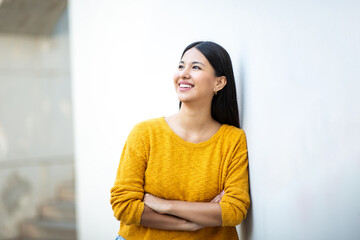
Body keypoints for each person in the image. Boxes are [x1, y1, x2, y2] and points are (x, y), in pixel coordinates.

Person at [110, 41, 250, 240]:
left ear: (219, 83)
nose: (183, 73)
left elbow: (234, 210)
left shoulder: (232, 140)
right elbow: (124, 205)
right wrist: (189, 224)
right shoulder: (145, 133)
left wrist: (165, 205)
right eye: (181, 66)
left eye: (195, 67)